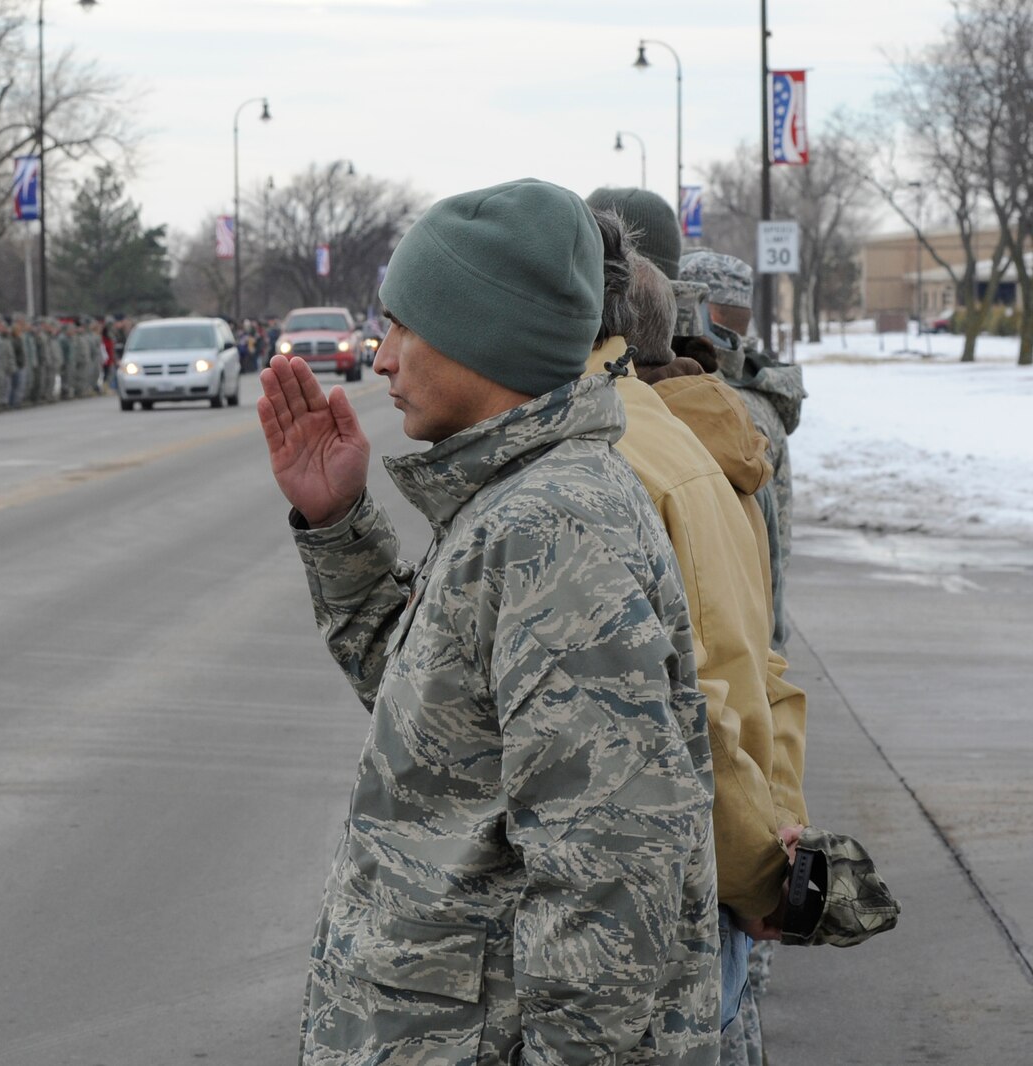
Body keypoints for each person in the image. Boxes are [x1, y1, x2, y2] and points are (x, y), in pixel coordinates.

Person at [265, 178, 717, 1064]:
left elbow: (611, 880)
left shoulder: (555, 526)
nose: (382, 358)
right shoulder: (516, 502)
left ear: (482, 336)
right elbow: (443, 733)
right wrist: (337, 525)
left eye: (404, 325)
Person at [591, 225, 815, 1049]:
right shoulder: (711, 441)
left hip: (682, 888)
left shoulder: (624, 462)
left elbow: (695, 710)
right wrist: (781, 835)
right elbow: (762, 668)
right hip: (740, 847)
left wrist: (761, 874)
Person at [681, 250, 805, 654]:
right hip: (758, 635)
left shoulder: (719, 405)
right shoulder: (753, 394)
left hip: (739, 646)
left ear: (704, 313)